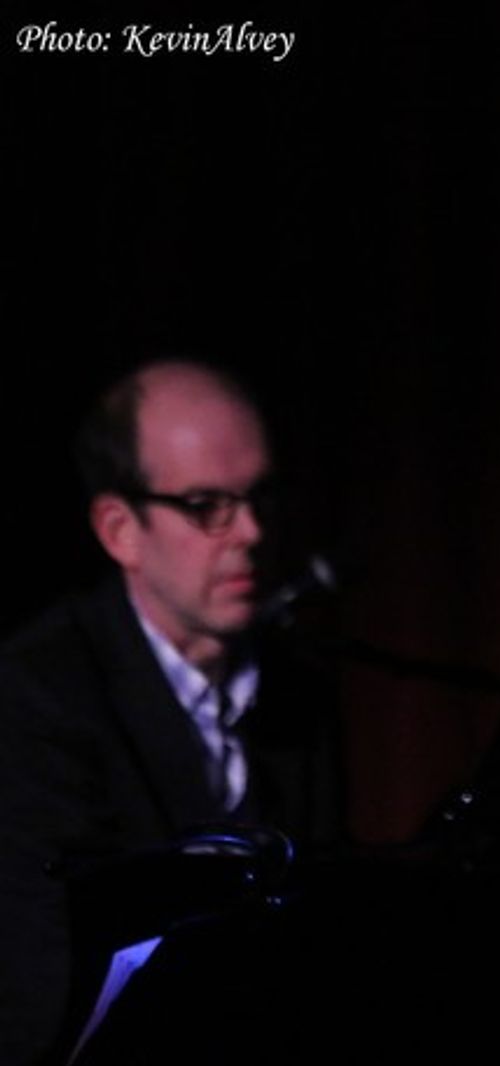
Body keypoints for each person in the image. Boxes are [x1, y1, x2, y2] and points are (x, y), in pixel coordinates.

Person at [0, 360, 343, 1065]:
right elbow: (45, 990)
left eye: (260, 497)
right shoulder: (37, 695)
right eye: (206, 506)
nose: (249, 530)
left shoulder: (299, 684)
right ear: (120, 528)